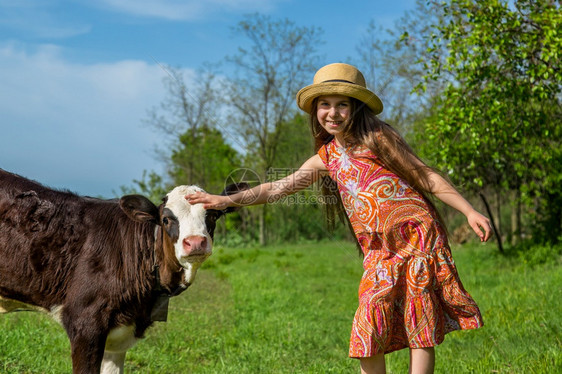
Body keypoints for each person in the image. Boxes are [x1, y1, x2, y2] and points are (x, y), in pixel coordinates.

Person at [185, 63, 491, 374]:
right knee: (368, 324)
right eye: (325, 105)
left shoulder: (378, 137)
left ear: (355, 108)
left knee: (418, 321)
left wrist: (468, 210)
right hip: (379, 251)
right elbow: (278, 187)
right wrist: (225, 199)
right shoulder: (325, 158)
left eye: (342, 104)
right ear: (315, 110)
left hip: (417, 237)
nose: (333, 113)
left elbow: (423, 175)